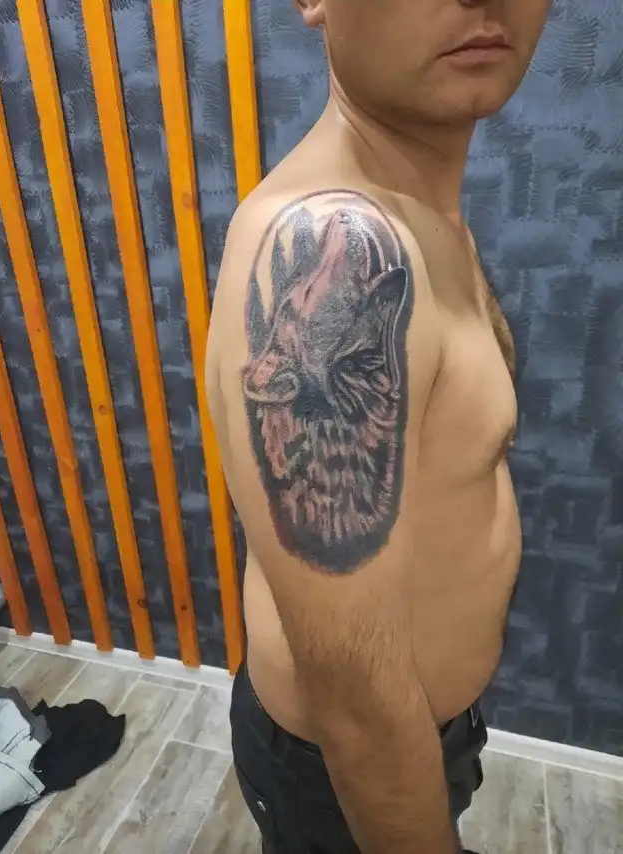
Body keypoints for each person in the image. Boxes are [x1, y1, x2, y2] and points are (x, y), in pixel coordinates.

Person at [206, 1, 551, 851]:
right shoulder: (331, 231)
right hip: (350, 776)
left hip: (429, 736)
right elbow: (357, 702)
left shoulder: (419, 209)